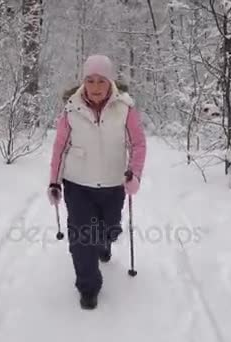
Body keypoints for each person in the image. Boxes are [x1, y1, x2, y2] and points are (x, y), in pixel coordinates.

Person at [47, 54, 147, 310]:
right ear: (84, 81)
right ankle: (88, 287)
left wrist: (134, 174)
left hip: (113, 184)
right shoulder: (71, 109)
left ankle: (105, 241)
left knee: (109, 229)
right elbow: (60, 147)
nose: (95, 86)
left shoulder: (125, 108)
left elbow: (137, 143)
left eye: (100, 80)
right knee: (82, 237)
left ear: (109, 81)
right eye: (90, 80)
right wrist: (55, 182)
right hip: (78, 184)